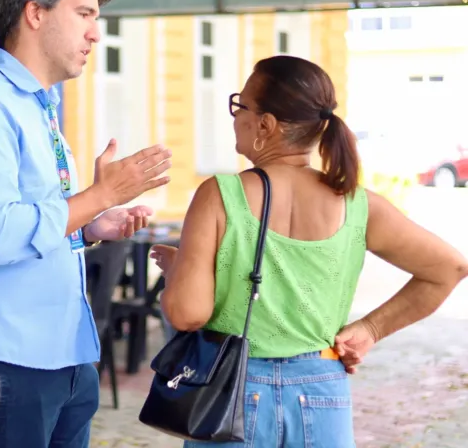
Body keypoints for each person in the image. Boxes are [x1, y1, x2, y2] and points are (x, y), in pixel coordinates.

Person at [151, 55, 468, 447]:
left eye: (241, 106)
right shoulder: (357, 204)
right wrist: (369, 330)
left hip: (231, 394)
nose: (235, 117)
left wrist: (181, 268)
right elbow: (448, 268)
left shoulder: (220, 195)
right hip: (323, 392)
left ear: (265, 124)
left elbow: (187, 313)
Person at [0, 0, 172, 448]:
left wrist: (89, 224)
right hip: (10, 356)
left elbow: (35, 220)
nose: (94, 33)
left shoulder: (39, 106)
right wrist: (100, 193)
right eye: (83, 14)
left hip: (64, 349)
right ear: (34, 14)